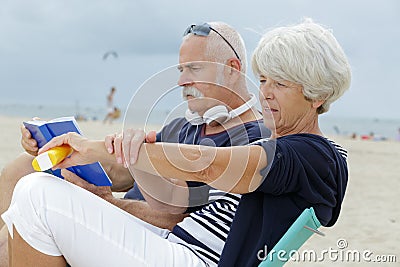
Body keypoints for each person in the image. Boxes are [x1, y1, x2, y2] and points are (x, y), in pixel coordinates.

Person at [3, 18, 351, 266]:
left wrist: (96, 153)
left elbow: (213, 164)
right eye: (263, 80)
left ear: (316, 95)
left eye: (282, 85)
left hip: (195, 258)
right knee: (35, 187)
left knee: (38, 196)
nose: (266, 94)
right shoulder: (281, 146)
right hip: (172, 246)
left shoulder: (313, 155)